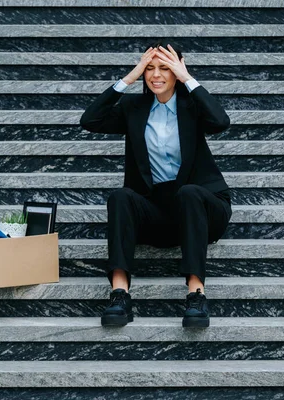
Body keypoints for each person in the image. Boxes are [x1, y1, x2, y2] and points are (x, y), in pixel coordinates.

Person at [80, 41, 232, 328]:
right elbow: (90, 120)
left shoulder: (192, 106)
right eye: (150, 68)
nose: (156, 74)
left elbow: (221, 121)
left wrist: (187, 78)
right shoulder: (133, 107)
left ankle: (196, 295)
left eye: (165, 67)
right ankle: (120, 294)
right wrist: (129, 77)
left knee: (188, 193)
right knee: (121, 197)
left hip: (202, 207)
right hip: (159, 210)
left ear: (177, 69)